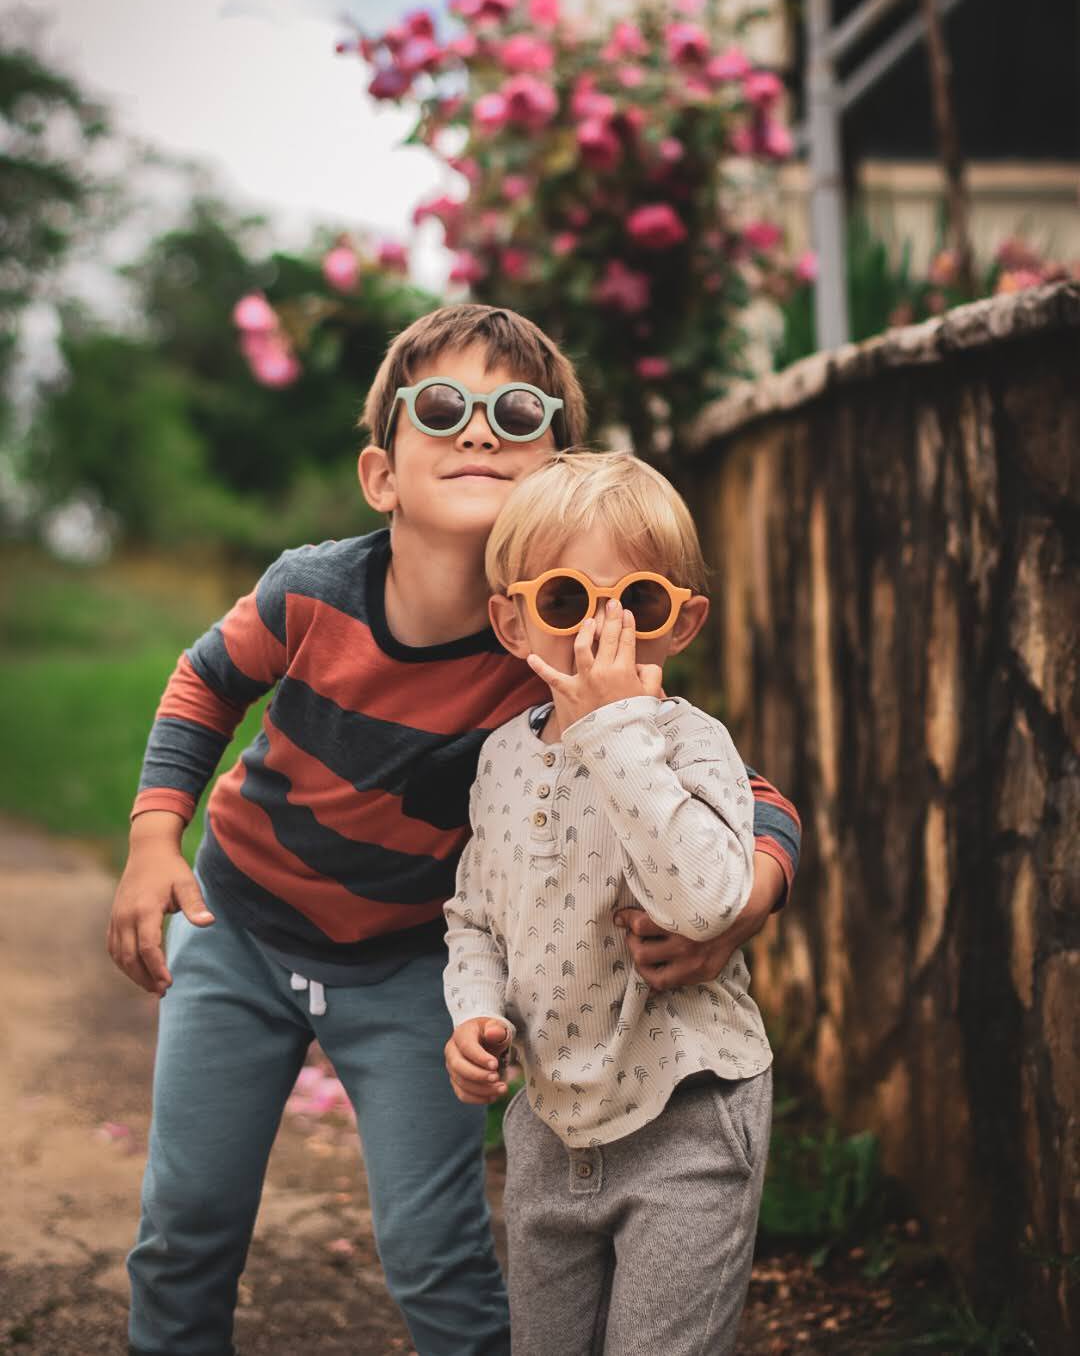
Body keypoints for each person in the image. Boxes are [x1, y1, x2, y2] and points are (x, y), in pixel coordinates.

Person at [107, 305, 799, 1356]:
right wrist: (156, 833)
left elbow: (747, 793)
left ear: (554, 471)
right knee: (186, 1223)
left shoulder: (554, 642)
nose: (479, 429)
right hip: (243, 930)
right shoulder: (311, 592)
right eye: (443, 408)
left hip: (408, 970)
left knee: (435, 1249)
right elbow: (205, 683)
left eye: (516, 412)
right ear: (382, 473)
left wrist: (742, 904)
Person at [444, 450, 784, 1356]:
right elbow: (475, 915)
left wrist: (613, 728)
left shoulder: (687, 745)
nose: (602, 631)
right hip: (553, 1124)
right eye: (565, 602)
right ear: (512, 622)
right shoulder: (501, 760)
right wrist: (475, 1011)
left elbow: (709, 901)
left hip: (687, 1115)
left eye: (636, 603)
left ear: (682, 623)